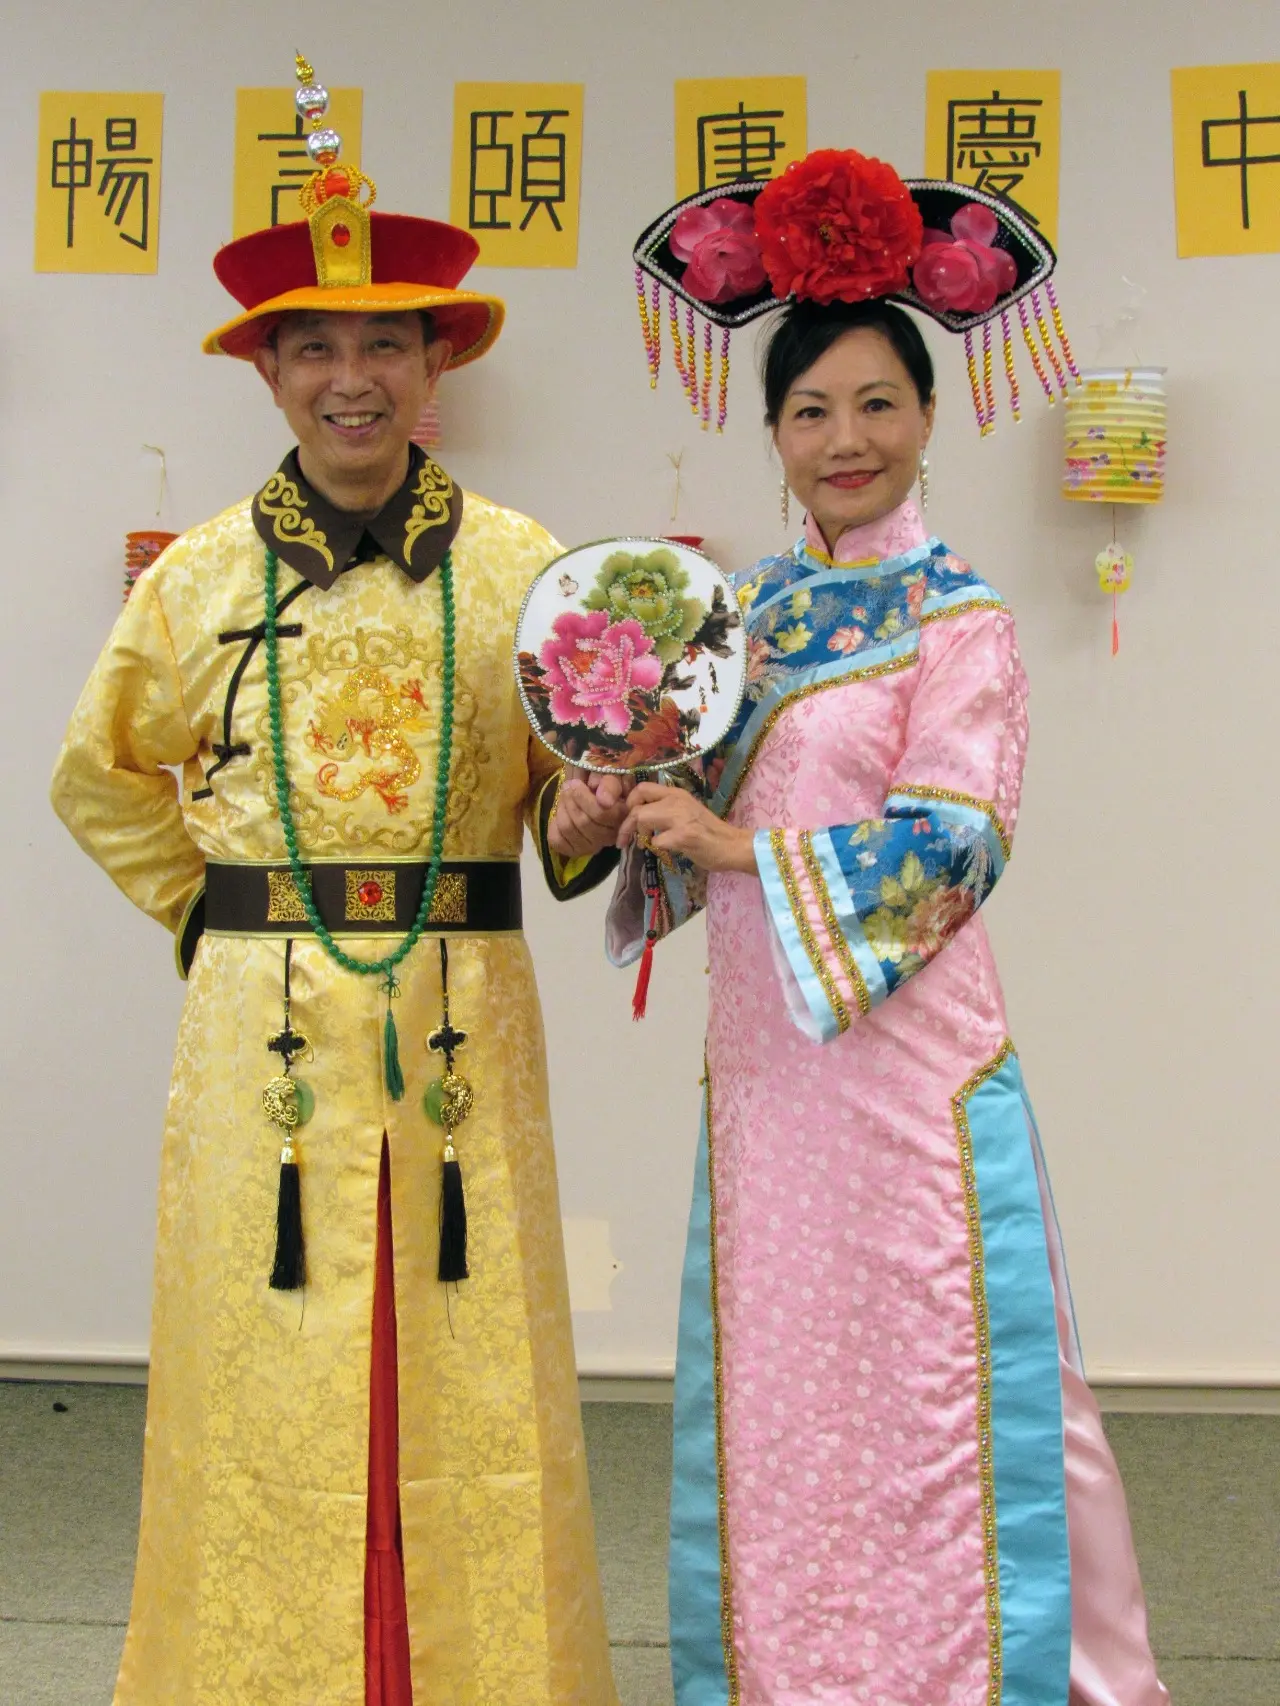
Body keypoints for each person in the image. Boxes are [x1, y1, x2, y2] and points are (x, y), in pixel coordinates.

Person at [50, 57, 623, 1706]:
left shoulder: (523, 566)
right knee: (266, 1371)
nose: (352, 377)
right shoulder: (202, 578)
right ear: (270, 371)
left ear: (436, 361)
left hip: (465, 1029)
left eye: (386, 342)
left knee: (474, 1368)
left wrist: (592, 808)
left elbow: (564, 811)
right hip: (264, 1047)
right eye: (318, 345)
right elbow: (98, 773)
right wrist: (218, 920)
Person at [611, 151, 1170, 1703]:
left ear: (926, 416)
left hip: (906, 1082)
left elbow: (952, 844)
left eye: (873, 405)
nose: (842, 439)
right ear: (773, 433)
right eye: (808, 411)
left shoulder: (963, 616)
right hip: (770, 1090)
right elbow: (685, 810)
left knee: (944, 1397)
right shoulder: (744, 620)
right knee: (789, 1402)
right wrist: (629, 811)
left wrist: (732, 841)